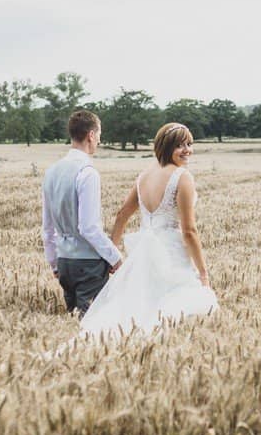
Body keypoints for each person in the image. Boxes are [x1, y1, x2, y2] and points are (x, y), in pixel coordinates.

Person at [76, 122, 218, 338]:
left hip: (144, 249)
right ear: (165, 146)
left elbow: (123, 214)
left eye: (189, 143)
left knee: (141, 302)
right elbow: (189, 231)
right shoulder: (182, 176)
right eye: (180, 145)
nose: (187, 150)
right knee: (182, 303)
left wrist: (112, 250)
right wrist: (203, 273)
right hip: (171, 250)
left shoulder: (144, 175)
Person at [41, 110, 122, 316]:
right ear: (91, 135)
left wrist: (55, 263)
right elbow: (89, 228)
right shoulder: (87, 173)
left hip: (64, 262)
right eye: (99, 135)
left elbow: (47, 229)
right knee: (91, 328)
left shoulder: (51, 172)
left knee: (72, 325)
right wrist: (115, 258)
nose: (99, 141)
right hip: (88, 266)